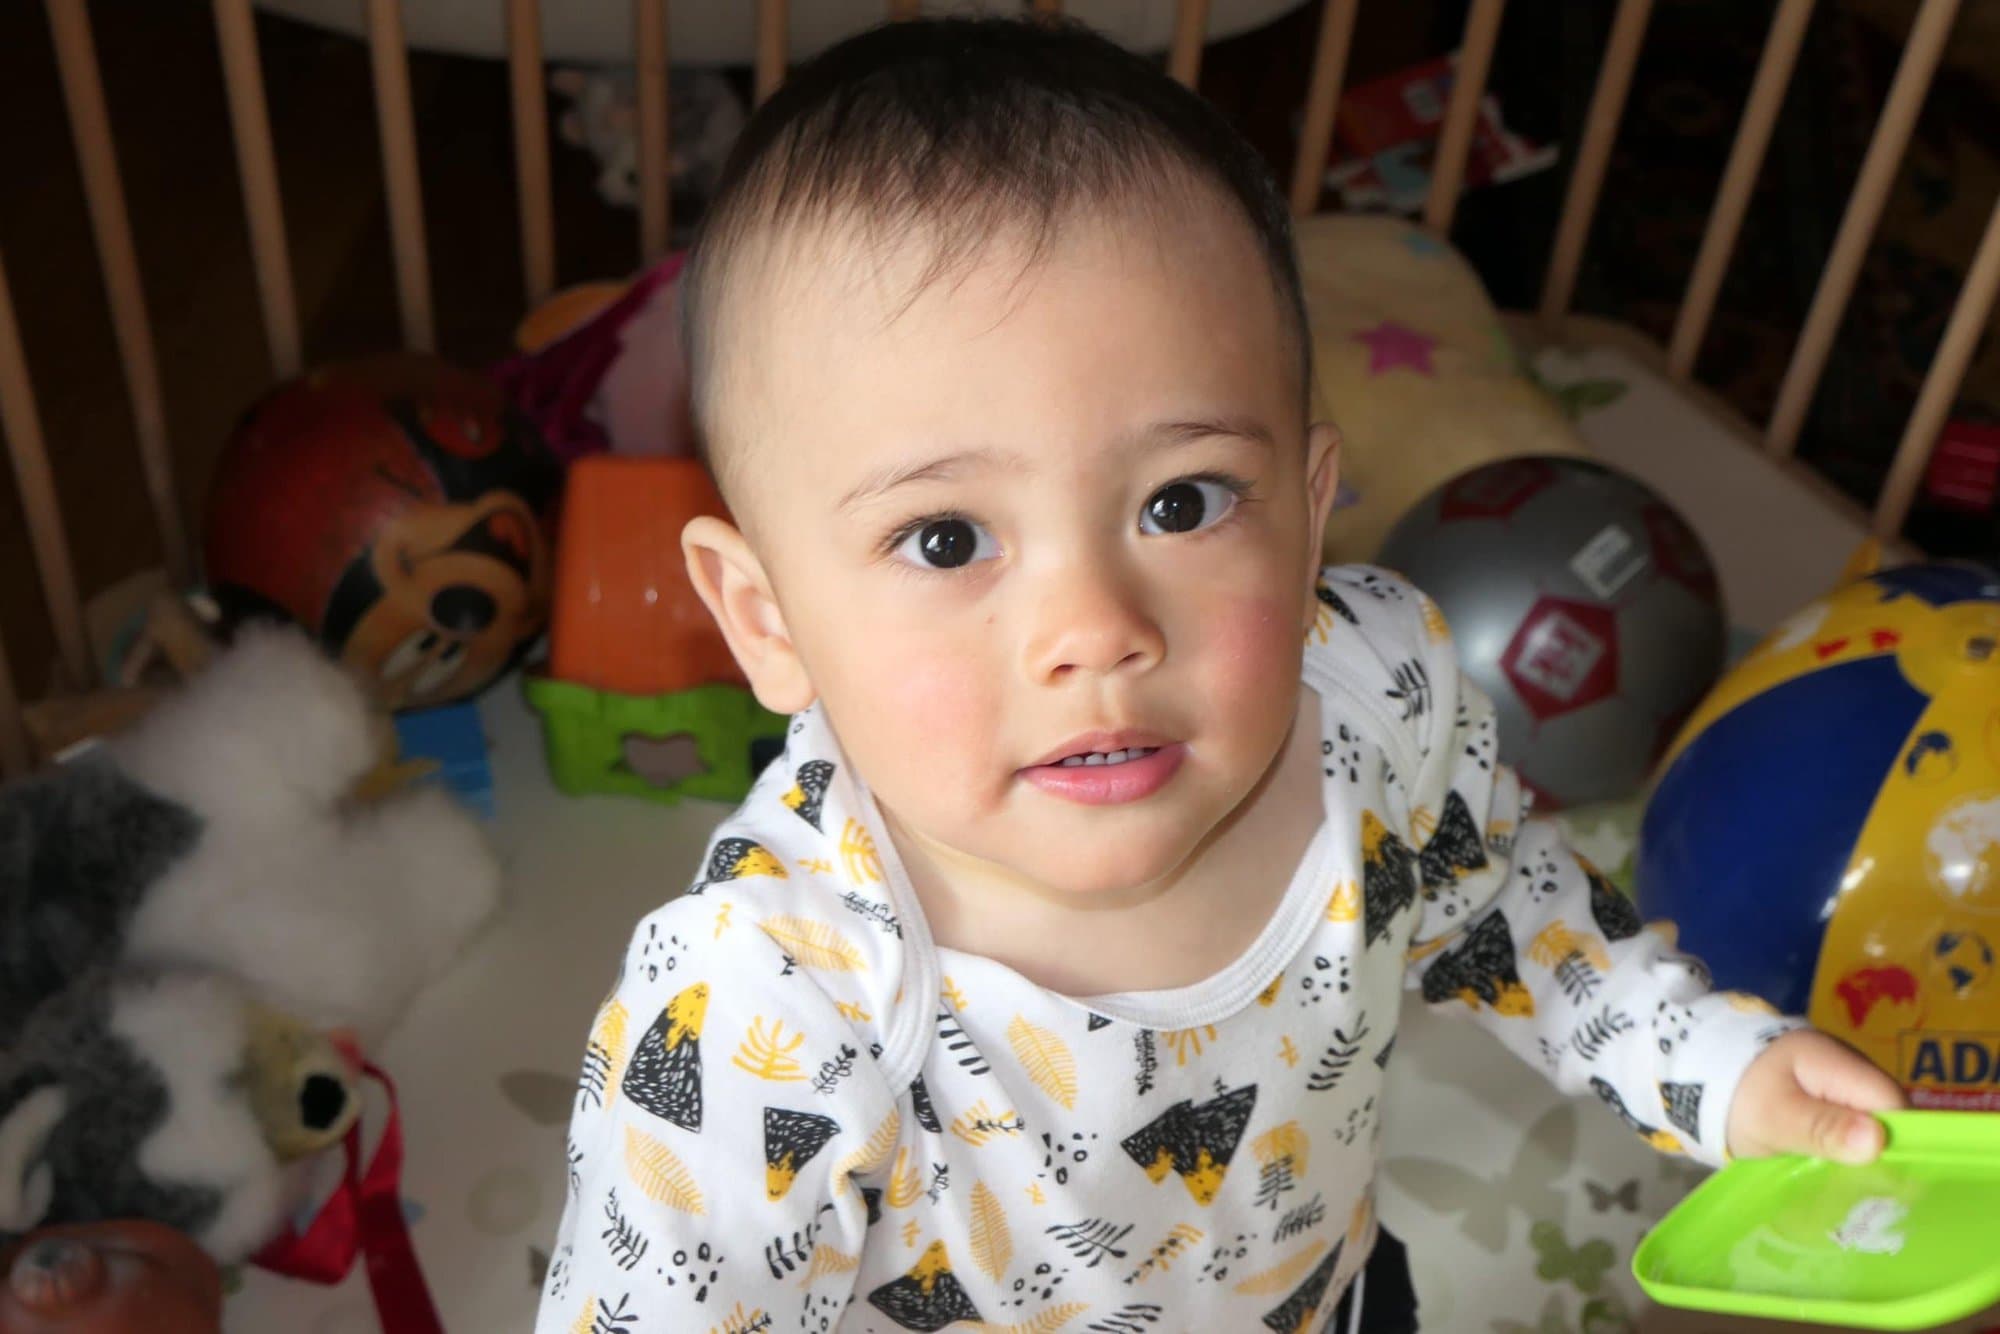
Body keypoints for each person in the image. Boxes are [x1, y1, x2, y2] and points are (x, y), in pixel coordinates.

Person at [534, 17, 1904, 1331]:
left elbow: (1511, 915)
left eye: (1180, 502)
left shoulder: (1374, 698)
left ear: (1308, 515)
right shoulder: (766, 1009)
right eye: (946, 538)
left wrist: (1723, 1072)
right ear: (766, 619)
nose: (1095, 628)